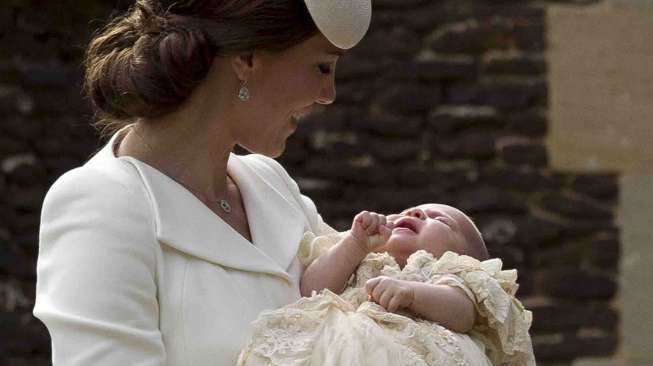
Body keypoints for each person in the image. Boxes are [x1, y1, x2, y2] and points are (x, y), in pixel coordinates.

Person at [33, 0, 371, 365]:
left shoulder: (271, 183)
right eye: (322, 66)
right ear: (248, 58)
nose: (328, 93)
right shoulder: (101, 204)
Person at [238, 204, 536, 365]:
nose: (416, 213)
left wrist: (411, 293)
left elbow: (462, 312)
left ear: (462, 256)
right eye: (409, 210)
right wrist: (354, 244)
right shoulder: (362, 258)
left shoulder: (447, 272)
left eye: (441, 220)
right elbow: (310, 289)